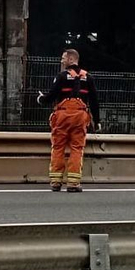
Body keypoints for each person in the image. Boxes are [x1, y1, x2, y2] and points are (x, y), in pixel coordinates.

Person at [37, 48, 100, 192]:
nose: (61, 60)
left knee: (58, 147)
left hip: (62, 117)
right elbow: (95, 101)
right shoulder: (88, 77)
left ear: (71, 59)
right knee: (77, 148)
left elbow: (51, 96)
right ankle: (73, 183)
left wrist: (41, 99)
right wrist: (98, 121)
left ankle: (55, 181)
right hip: (80, 117)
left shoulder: (61, 76)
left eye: (63, 58)